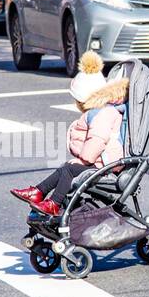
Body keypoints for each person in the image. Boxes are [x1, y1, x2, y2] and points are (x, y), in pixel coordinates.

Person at [10, 51, 127, 217]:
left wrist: (84, 160)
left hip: (106, 164)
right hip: (100, 161)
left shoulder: (104, 113)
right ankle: (38, 191)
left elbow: (97, 140)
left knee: (69, 170)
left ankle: (54, 203)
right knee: (65, 167)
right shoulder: (99, 111)